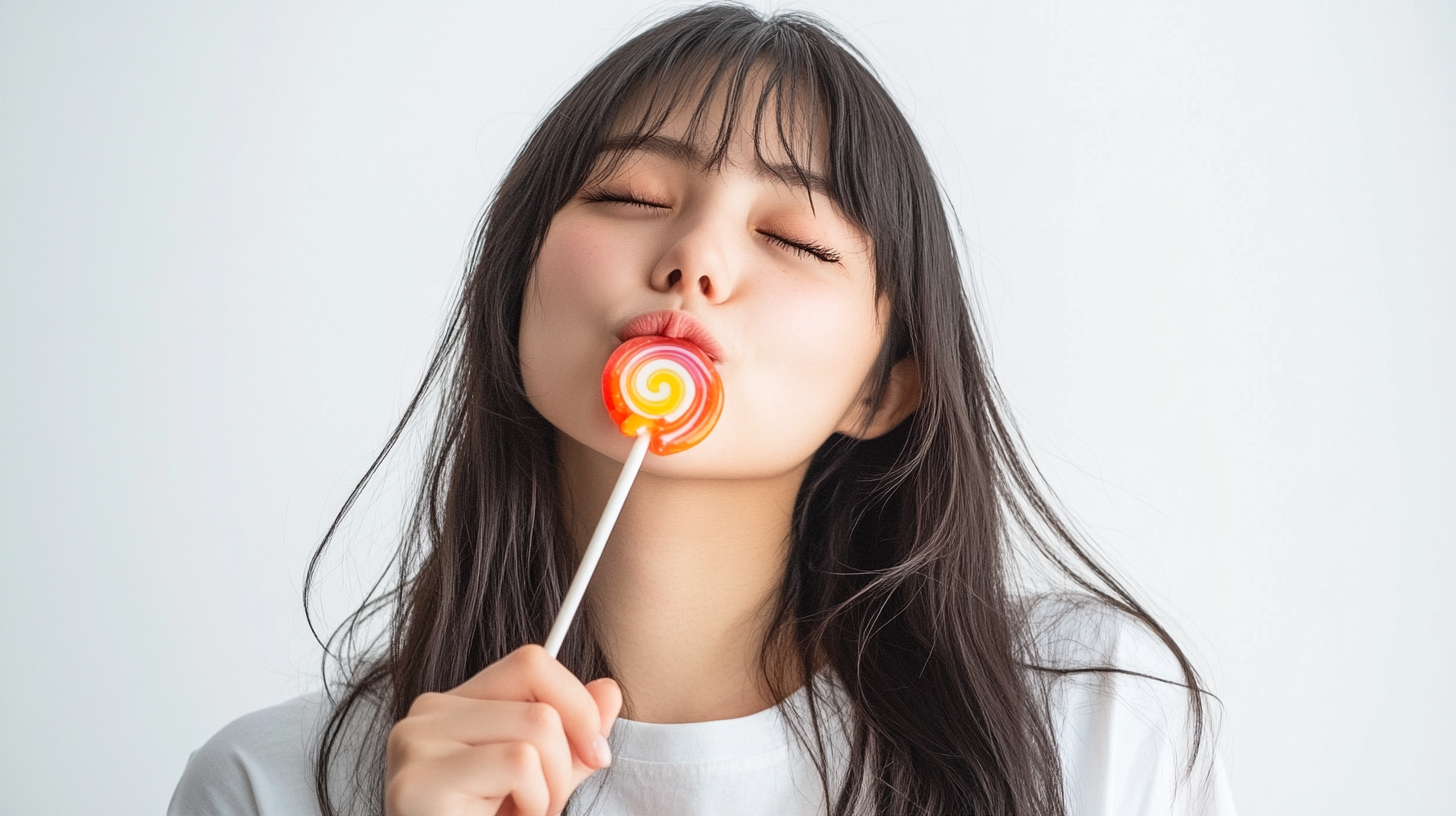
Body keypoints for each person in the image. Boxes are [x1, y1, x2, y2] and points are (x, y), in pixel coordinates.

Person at [168, 5, 1236, 816]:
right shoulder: (268, 785)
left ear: (883, 385)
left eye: (797, 240)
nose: (695, 260)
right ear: (515, 287)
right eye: (629, 197)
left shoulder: (1090, 722)